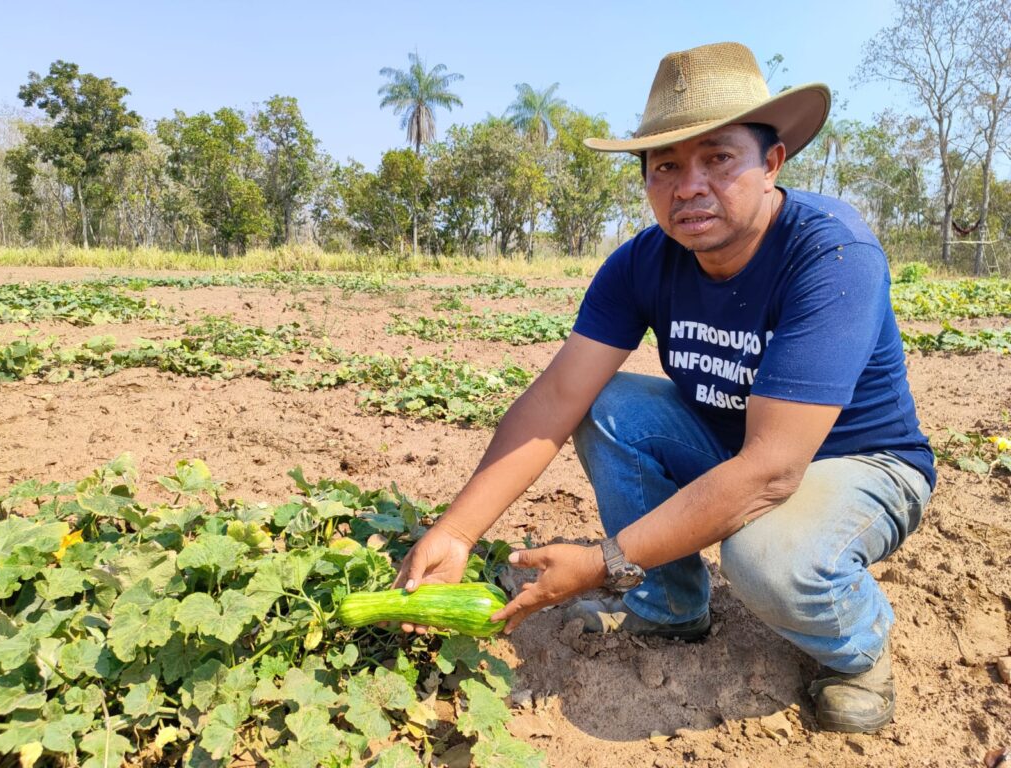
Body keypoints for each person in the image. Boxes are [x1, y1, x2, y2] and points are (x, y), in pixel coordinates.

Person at [393, 41, 935, 735]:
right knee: (605, 406)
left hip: (859, 463)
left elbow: (773, 470)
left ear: (772, 163)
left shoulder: (831, 255)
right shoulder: (642, 263)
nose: (689, 186)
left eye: (718, 159)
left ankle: (857, 649)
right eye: (666, 166)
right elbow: (557, 398)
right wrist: (458, 530)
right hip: (734, 446)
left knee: (767, 557)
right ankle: (671, 606)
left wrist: (602, 563)